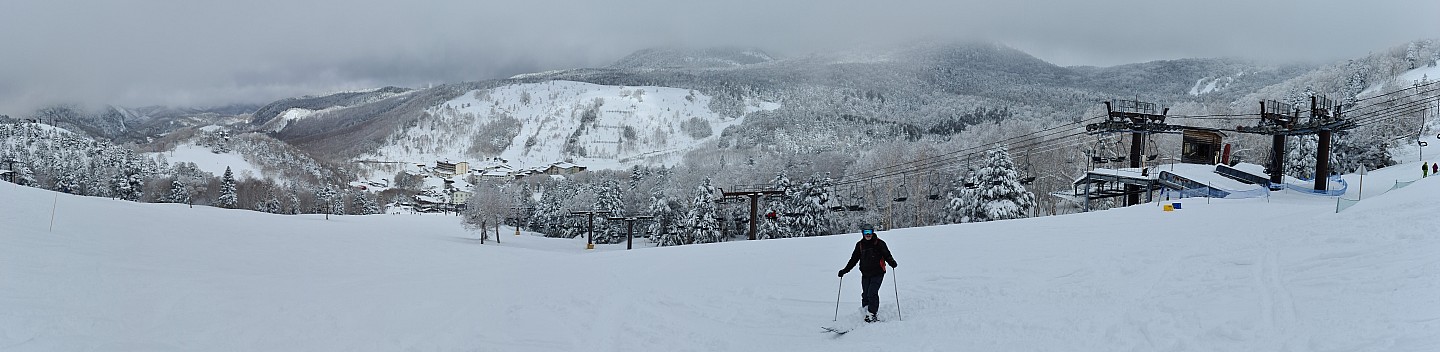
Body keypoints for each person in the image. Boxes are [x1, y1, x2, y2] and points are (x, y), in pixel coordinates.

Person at [838, 224, 898, 323]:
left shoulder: (879, 243)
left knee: (872, 293)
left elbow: (887, 254)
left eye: (869, 232)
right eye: (866, 232)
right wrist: (845, 270)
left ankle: (872, 314)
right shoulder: (860, 245)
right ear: (862, 233)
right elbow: (853, 260)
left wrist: (892, 262)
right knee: (865, 294)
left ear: (872, 232)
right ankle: (865, 311)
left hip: (878, 272)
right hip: (866, 274)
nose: (868, 235)